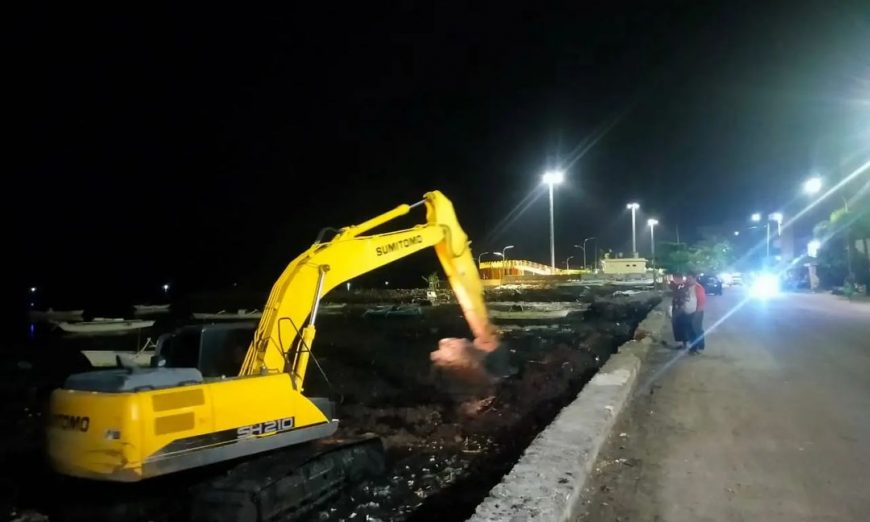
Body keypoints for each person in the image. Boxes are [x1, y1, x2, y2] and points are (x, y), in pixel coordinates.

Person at [684, 272, 707, 354]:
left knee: (696, 330)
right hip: (688, 312)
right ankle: (696, 346)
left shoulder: (698, 288)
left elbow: (701, 301)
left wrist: (697, 312)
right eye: (687, 278)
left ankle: (696, 347)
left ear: (695, 278)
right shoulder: (686, 287)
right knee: (690, 330)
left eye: (690, 278)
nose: (688, 280)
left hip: (697, 312)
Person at [669, 273, 689, 349]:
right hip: (675, 308)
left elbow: (683, 296)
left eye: (677, 278)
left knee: (683, 325)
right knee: (676, 326)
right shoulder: (675, 286)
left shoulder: (683, 286)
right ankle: (680, 343)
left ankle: (685, 343)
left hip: (682, 308)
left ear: (680, 278)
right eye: (674, 278)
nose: (675, 280)